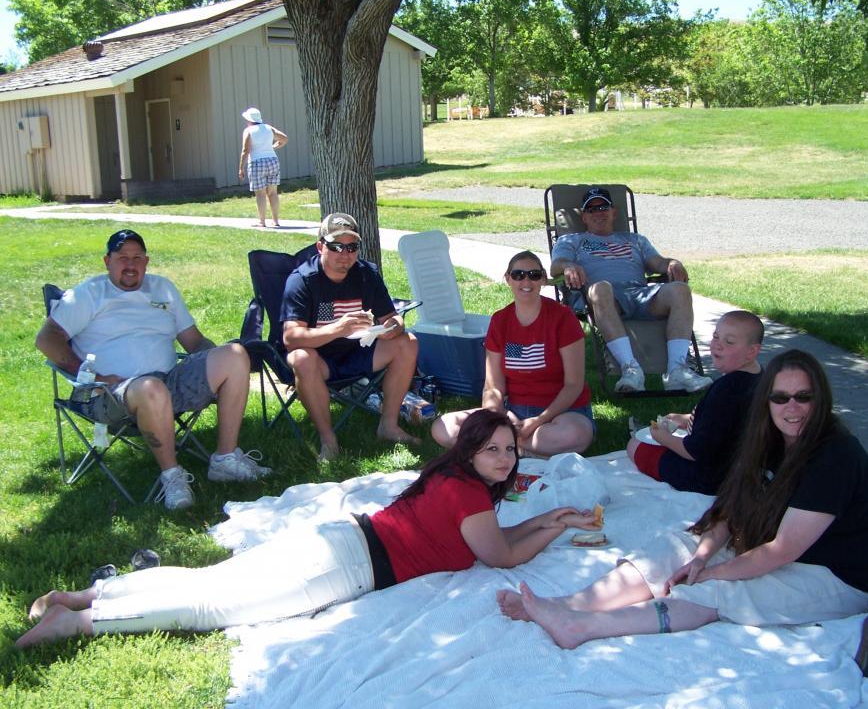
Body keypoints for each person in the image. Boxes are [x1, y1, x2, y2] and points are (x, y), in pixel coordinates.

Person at [16, 410, 602, 648]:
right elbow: (501, 556)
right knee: (211, 606)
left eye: (509, 450)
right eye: (492, 448)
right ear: (469, 450)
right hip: (345, 565)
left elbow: (495, 539)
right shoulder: (468, 492)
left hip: (339, 538)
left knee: (210, 580)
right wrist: (552, 527)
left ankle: (90, 594)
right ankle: (79, 621)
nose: (505, 458)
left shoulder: (455, 480)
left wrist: (548, 518)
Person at [498, 349, 868, 648]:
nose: (792, 408)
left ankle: (580, 627)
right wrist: (702, 556)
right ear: (766, 401)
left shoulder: (834, 457)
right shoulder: (769, 441)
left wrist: (713, 573)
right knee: (678, 546)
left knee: (713, 591)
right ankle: (569, 604)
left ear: (820, 400)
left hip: (835, 576)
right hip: (780, 548)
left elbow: (781, 552)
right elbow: (731, 510)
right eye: (780, 398)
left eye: (803, 397)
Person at [35, 230, 270, 511]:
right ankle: (172, 476)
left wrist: (218, 369)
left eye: (137, 258)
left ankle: (225, 459)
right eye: (122, 258)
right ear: (107, 261)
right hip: (112, 393)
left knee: (235, 354)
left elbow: (194, 341)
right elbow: (46, 339)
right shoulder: (88, 294)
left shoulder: (163, 288)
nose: (130, 264)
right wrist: (92, 377)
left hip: (169, 381)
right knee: (151, 388)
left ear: (146, 262)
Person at [280, 212, 419, 460]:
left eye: (351, 247)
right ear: (320, 246)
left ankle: (388, 426)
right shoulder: (302, 280)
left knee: (408, 343)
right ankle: (328, 439)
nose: (345, 254)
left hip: (359, 351)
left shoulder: (366, 274)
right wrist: (339, 329)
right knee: (301, 358)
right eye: (336, 246)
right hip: (320, 359)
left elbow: (392, 317)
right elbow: (291, 338)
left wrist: (392, 327)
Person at [550, 186, 711, 394]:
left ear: (614, 212)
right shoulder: (571, 240)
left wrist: (672, 263)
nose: (598, 212)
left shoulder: (635, 240)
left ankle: (677, 370)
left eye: (603, 207)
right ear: (584, 217)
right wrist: (568, 266)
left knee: (680, 289)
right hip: (601, 297)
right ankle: (631, 370)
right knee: (601, 288)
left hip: (640, 294)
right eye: (591, 209)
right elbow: (556, 266)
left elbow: (658, 262)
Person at [432, 252, 595, 457]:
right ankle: (521, 447)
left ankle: (501, 447)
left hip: (562, 413)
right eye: (518, 275)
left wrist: (538, 421)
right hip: (513, 412)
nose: (526, 281)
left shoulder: (563, 317)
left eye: (534, 275)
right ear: (508, 279)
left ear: (543, 280)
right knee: (443, 427)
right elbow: (493, 387)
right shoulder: (500, 321)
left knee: (574, 435)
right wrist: (497, 418)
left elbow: (573, 384)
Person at [627, 310, 764, 494]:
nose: (718, 345)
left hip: (710, 478)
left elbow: (695, 451)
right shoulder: (761, 378)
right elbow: (726, 422)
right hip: (743, 469)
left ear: (751, 351)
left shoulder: (726, 390)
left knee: (635, 445)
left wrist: (663, 438)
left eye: (729, 342)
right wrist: (686, 419)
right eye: (716, 336)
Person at [238, 107, 288, 228]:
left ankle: (262, 222)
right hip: (272, 160)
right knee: (273, 193)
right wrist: (273, 147)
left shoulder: (248, 131)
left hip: (256, 162)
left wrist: (241, 168)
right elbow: (284, 139)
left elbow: (245, 150)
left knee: (260, 194)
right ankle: (275, 221)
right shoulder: (268, 128)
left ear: (249, 120)